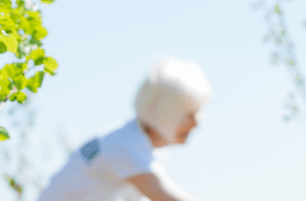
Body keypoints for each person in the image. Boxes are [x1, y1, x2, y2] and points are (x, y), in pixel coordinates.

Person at [38, 57, 212, 201]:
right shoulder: (128, 146)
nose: (196, 123)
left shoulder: (127, 140)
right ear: (164, 114)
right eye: (189, 115)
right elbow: (165, 196)